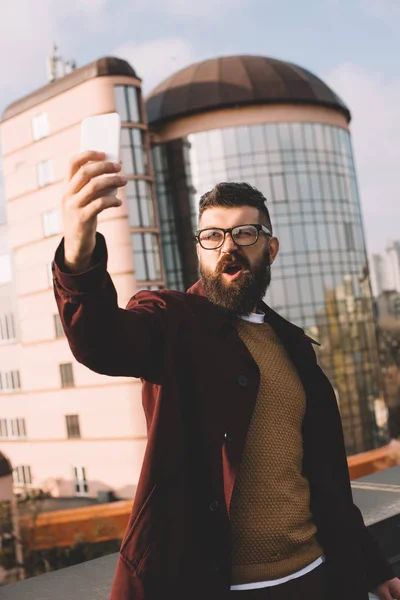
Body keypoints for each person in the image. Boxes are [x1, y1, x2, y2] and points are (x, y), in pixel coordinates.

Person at [52, 151, 400, 600]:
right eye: (213, 236)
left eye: (245, 233)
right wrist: (79, 252)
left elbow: (328, 480)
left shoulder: (294, 348)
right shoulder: (170, 320)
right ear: (199, 249)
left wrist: (371, 566)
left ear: (270, 248)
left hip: (317, 577)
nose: (228, 248)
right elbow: (101, 341)